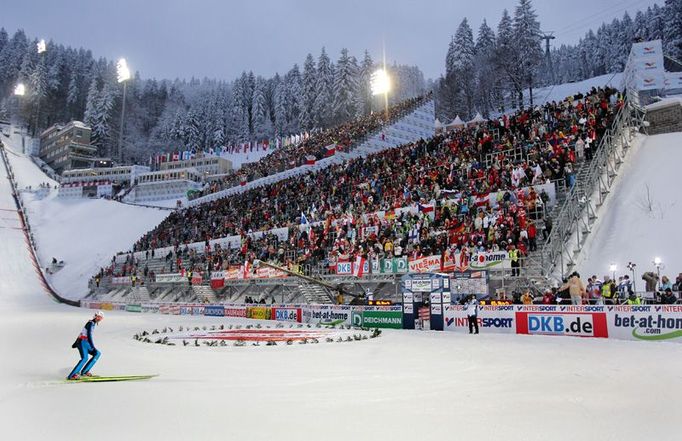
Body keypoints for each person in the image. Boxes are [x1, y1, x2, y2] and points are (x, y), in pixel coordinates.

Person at [68, 311, 104, 380]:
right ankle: (72, 375)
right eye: (98, 317)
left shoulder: (93, 323)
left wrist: (75, 343)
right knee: (85, 358)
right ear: (95, 316)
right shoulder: (90, 323)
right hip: (82, 342)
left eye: (101, 318)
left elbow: (82, 332)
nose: (99, 319)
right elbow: (89, 335)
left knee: (97, 353)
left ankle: (84, 372)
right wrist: (92, 346)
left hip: (85, 343)